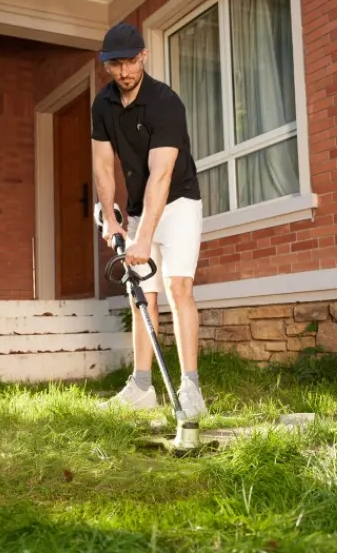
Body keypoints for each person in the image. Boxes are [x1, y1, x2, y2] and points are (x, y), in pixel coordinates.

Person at [90, 22, 207, 420]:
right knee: (141, 297)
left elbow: (161, 175)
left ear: (144, 56)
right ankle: (142, 386)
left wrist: (144, 239)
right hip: (141, 207)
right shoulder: (102, 105)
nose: (124, 72)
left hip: (178, 202)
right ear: (106, 64)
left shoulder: (165, 102)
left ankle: (190, 388)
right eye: (115, 64)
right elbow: (104, 168)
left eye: (131, 62)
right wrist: (112, 219)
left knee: (178, 289)